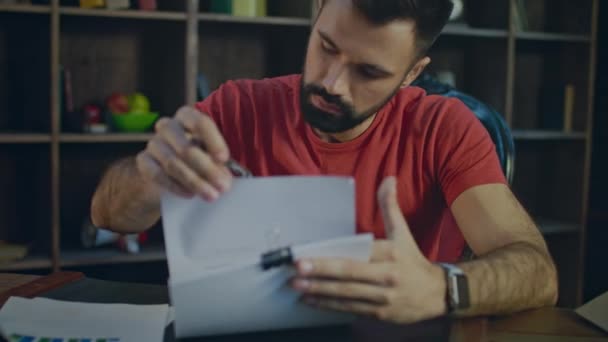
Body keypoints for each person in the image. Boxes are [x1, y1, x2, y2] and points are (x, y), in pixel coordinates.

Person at [91, 0, 558, 323]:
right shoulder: (238, 108)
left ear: (414, 72)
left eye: (369, 71)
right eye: (327, 47)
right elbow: (107, 216)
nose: (332, 83)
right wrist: (149, 177)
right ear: (317, 15)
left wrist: (442, 288)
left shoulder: (443, 127)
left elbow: (537, 272)